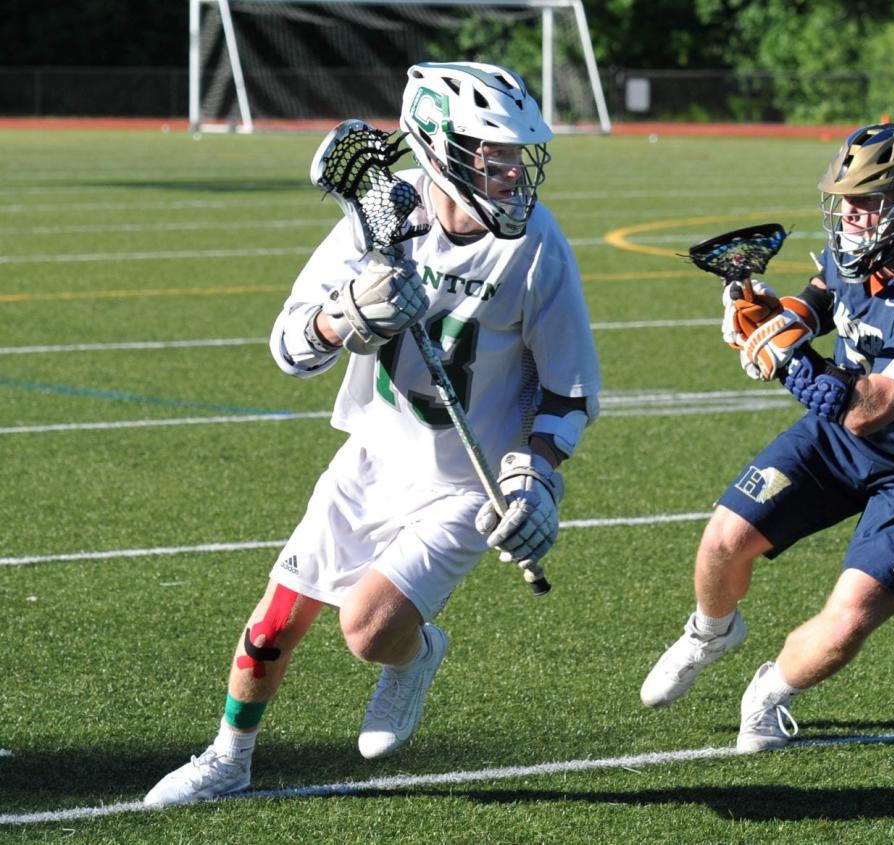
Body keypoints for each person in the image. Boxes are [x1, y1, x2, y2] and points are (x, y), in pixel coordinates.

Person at [144, 61, 601, 807]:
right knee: (274, 622)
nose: (513, 175)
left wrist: (536, 475)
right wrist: (344, 315)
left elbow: (569, 387)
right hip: (374, 454)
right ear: (440, 149)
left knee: (367, 630)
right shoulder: (379, 218)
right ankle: (228, 758)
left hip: (465, 483)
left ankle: (414, 654)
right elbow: (290, 346)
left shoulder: (537, 246)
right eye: (496, 156)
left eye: (518, 157)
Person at [641, 123, 894, 752]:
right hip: (838, 441)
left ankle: (771, 689)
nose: (852, 216)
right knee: (724, 538)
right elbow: (821, 295)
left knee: (850, 620)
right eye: (847, 199)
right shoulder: (860, 245)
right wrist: (771, 318)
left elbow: (868, 408)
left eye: (868, 201)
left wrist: (784, 357)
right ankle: (710, 631)